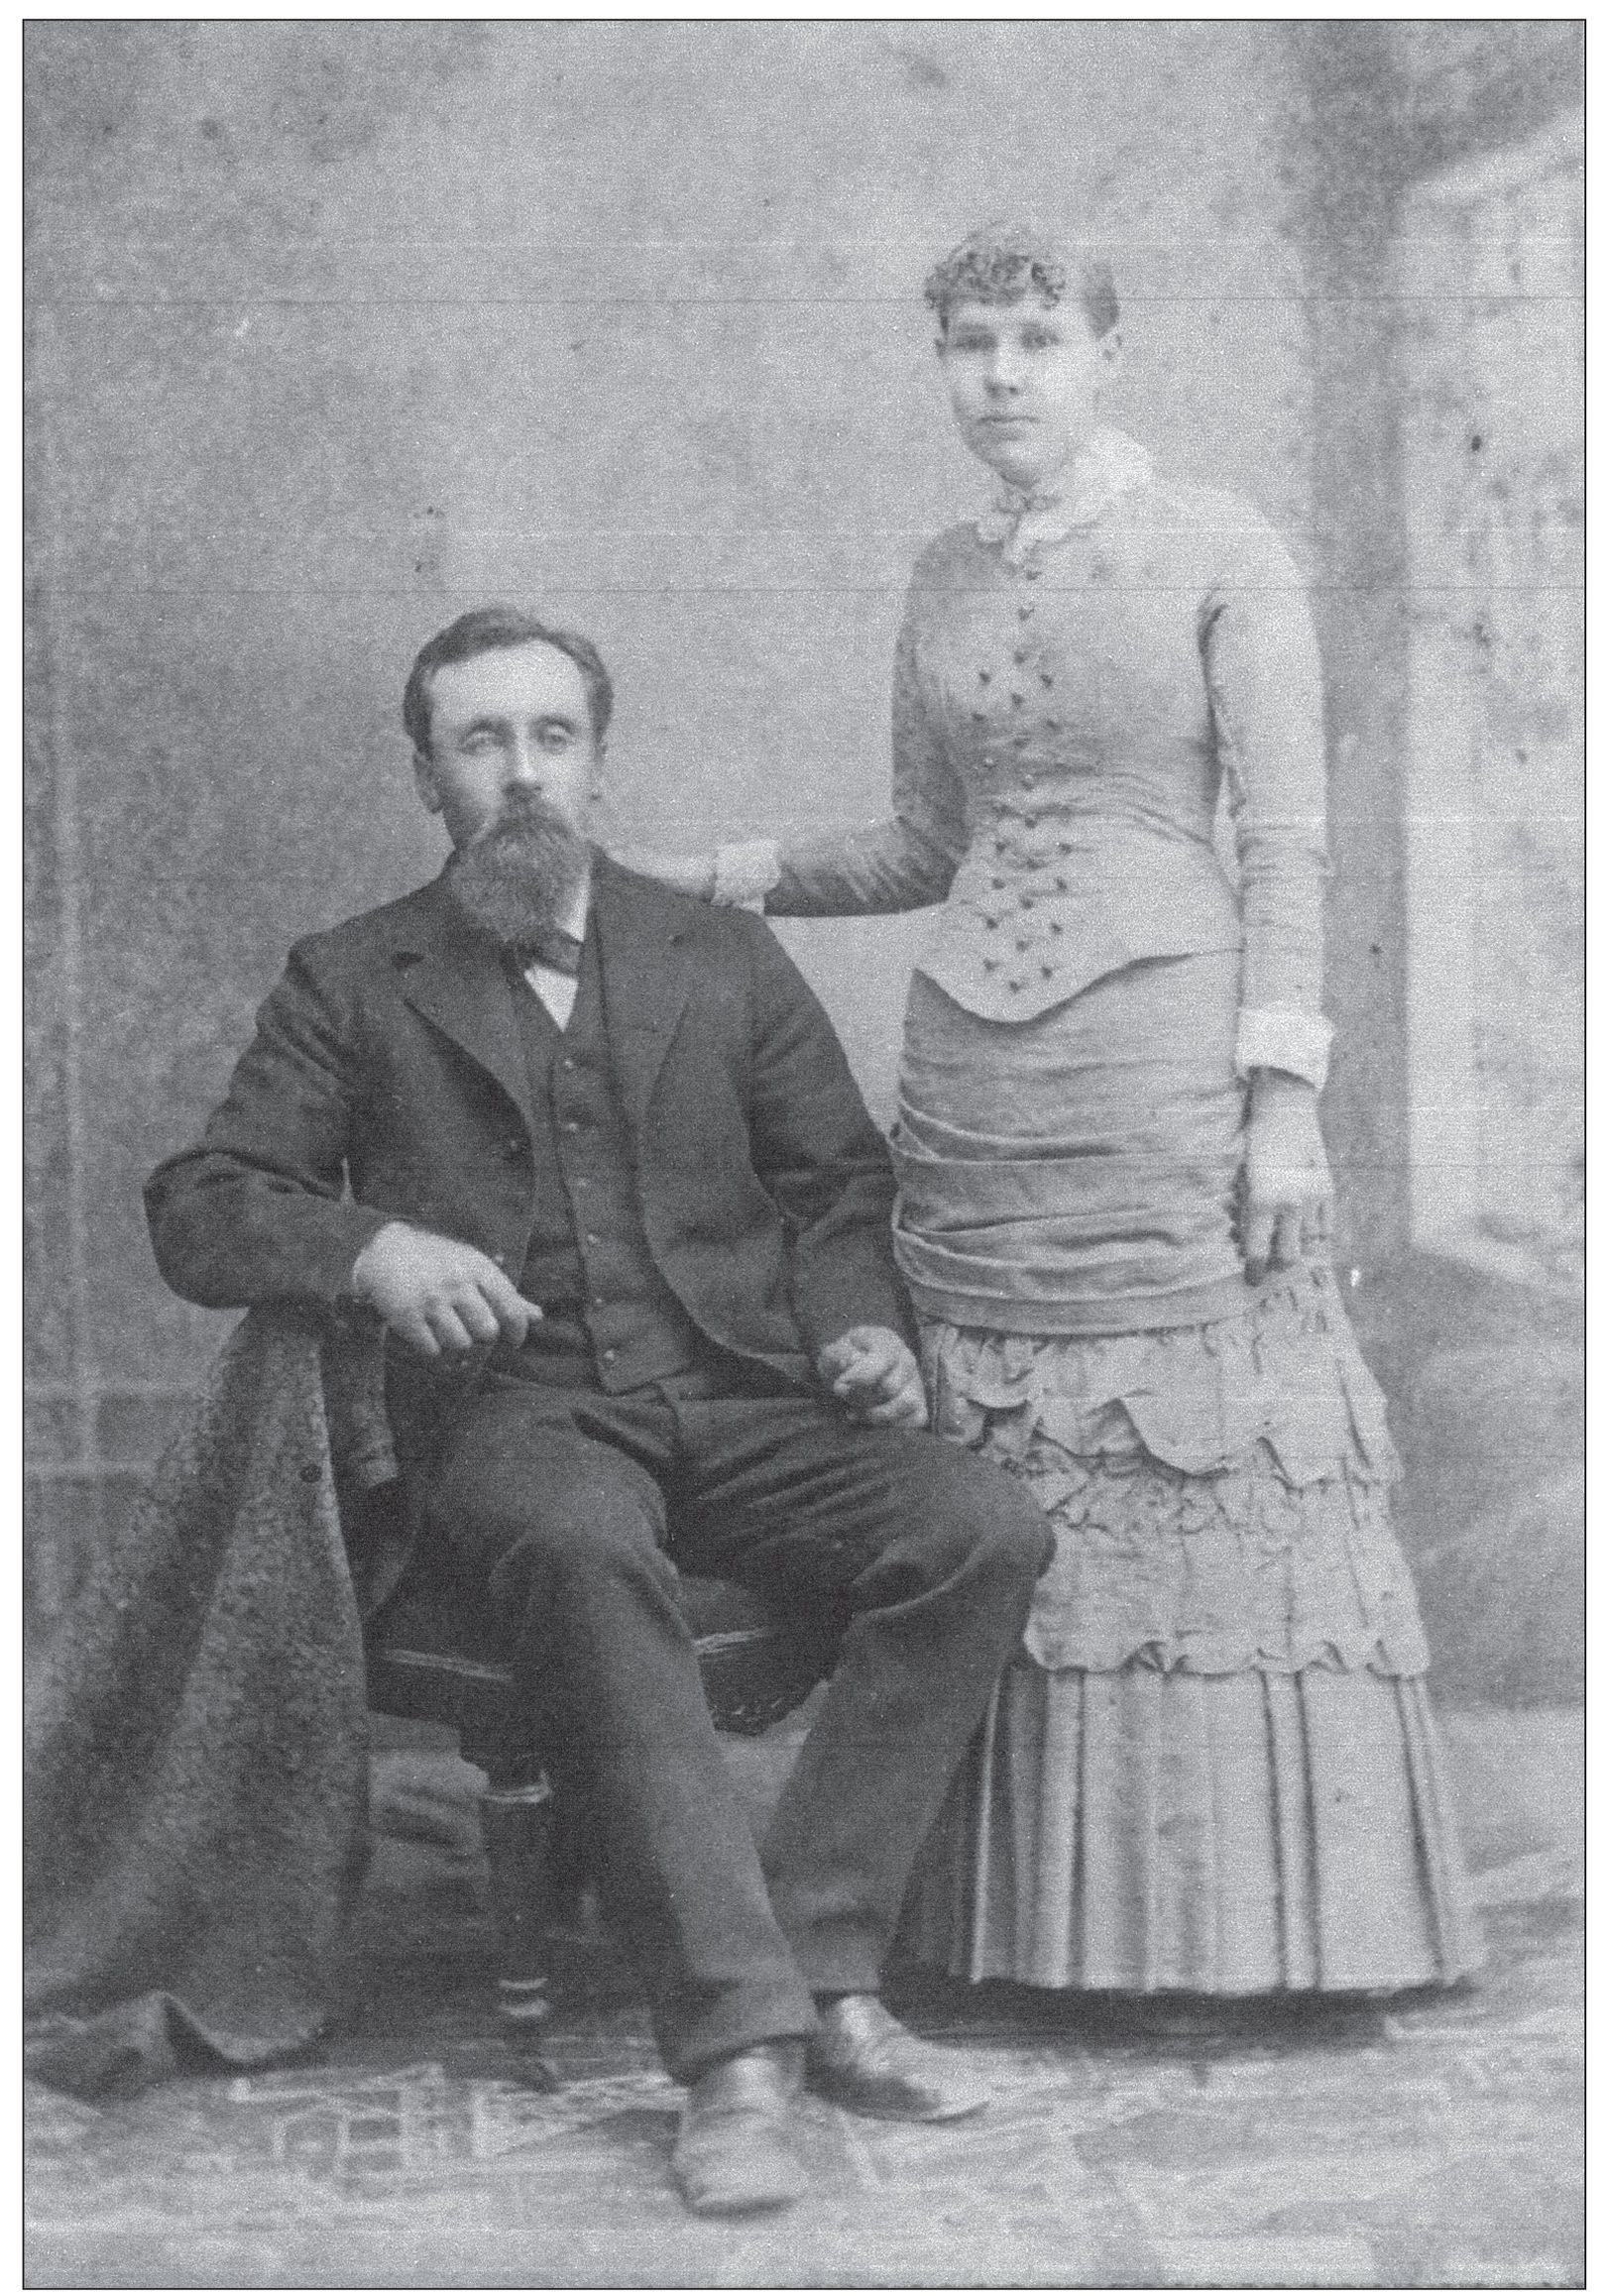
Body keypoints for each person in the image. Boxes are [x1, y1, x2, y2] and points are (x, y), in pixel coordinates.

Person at [622, 222, 1480, 2008]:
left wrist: (1283, 1108)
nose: (999, 376)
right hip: (975, 1075)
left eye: (1033, 339)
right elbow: (925, 843)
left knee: (1200, 1452)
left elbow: (1289, 841)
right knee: (997, 1480)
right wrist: (707, 874)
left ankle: (1233, 1938)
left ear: (1108, 351)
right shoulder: (936, 572)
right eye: (967, 345)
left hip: (1165, 1052)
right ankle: (995, 1926)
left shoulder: (1221, 547)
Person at [144, 606, 1054, 2214]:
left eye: (550, 738)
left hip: (740, 1396)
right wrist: (374, 1246)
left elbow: (834, 1181)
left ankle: (827, 1965)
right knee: (576, 1551)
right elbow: (205, 1201)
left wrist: (855, 1329)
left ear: (599, 762)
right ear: (426, 772)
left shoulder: (720, 952)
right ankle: (735, 2058)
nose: (520, 775)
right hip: (518, 1421)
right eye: (479, 741)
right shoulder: (355, 976)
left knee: (977, 1526)